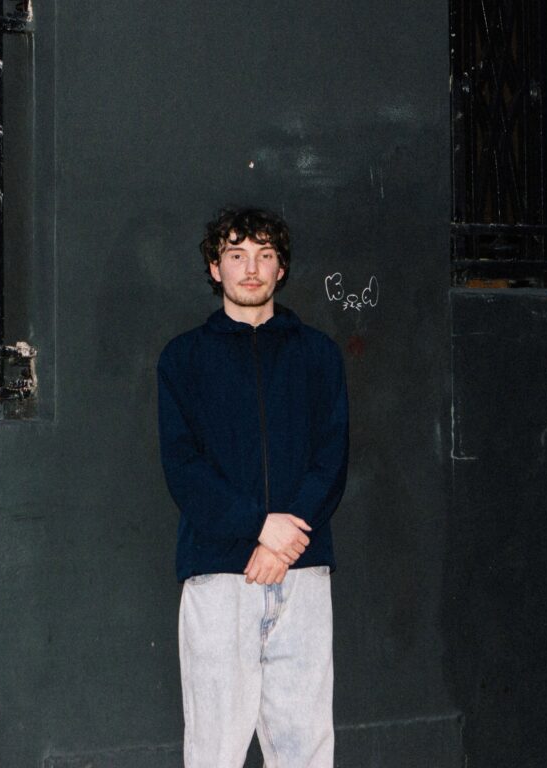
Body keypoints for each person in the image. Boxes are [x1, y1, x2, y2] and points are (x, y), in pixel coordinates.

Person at [157, 207, 349, 768]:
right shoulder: (183, 358)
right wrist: (259, 527)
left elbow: (331, 457)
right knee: (214, 747)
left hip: (303, 572)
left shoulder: (318, 354)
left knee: (305, 745)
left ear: (280, 268)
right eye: (236, 254)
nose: (250, 268)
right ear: (215, 268)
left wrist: (283, 543)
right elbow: (183, 467)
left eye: (265, 255)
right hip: (220, 574)